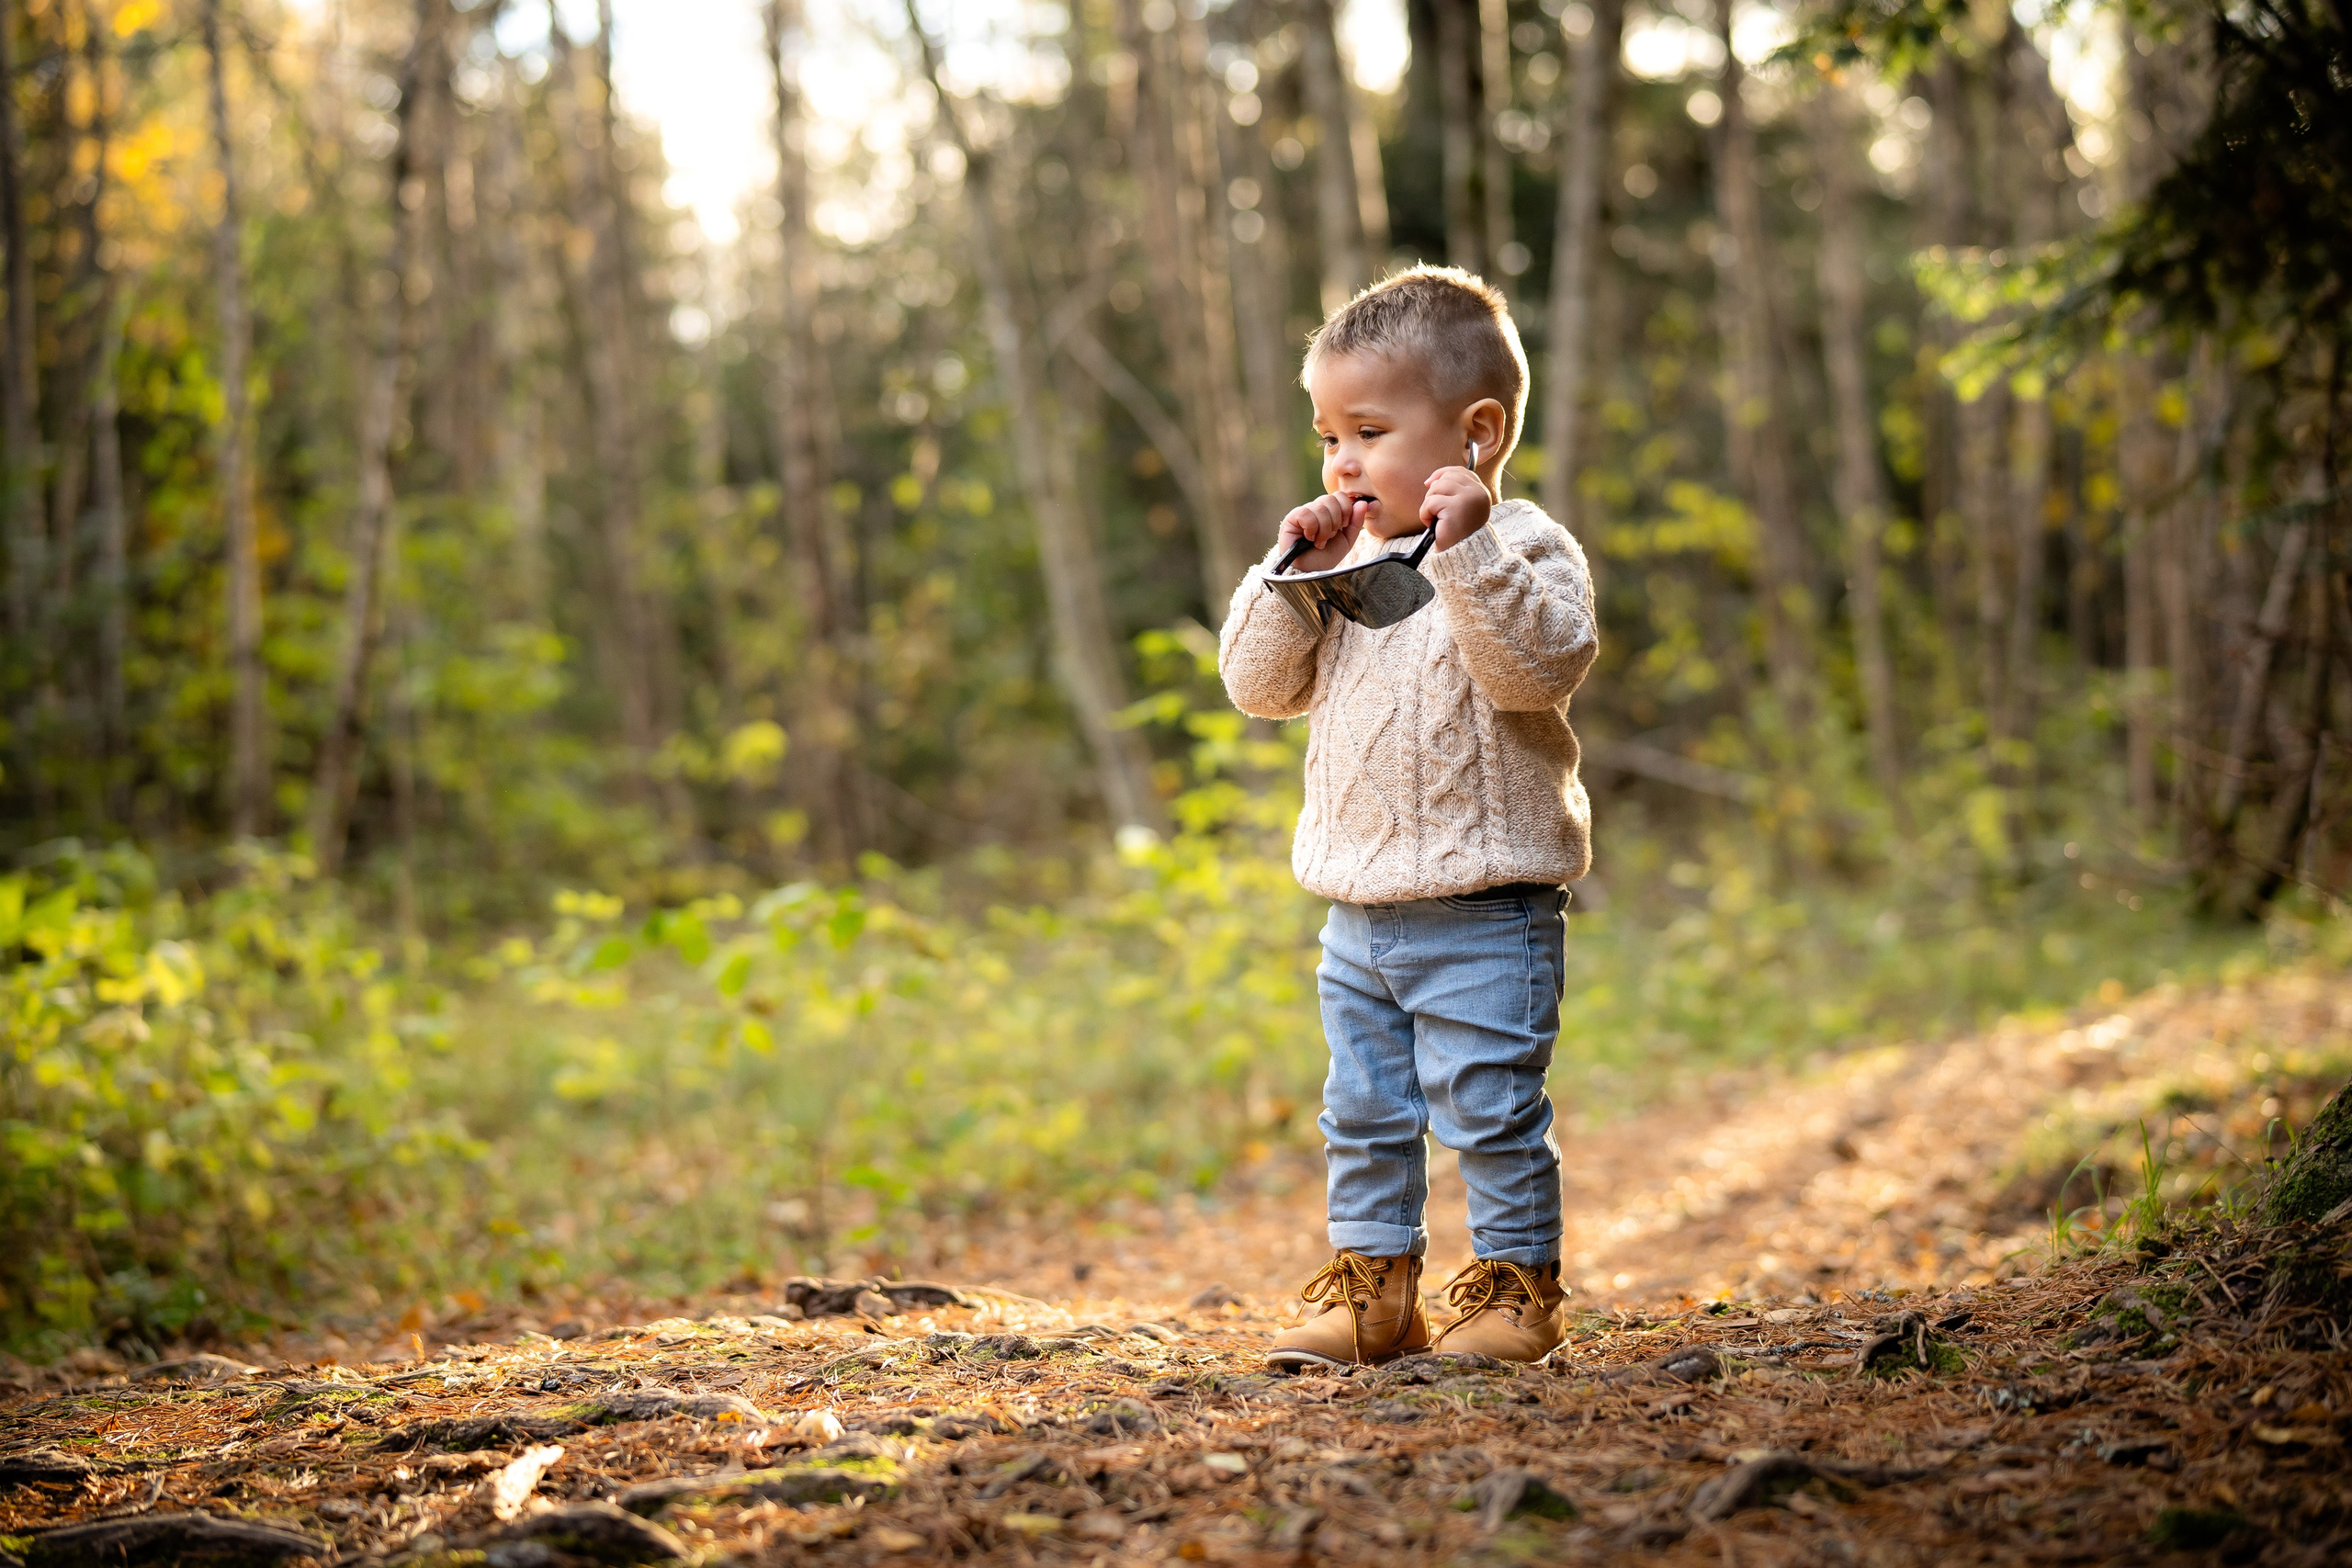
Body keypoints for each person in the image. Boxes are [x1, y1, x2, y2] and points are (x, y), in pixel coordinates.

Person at [1217, 265, 1599, 1368]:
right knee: (1365, 1117)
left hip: (1488, 913)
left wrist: (1467, 547)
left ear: (1474, 434)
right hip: (1356, 915)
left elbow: (1532, 669)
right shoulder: (1343, 568)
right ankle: (1372, 1294)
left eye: (1369, 431)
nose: (1341, 461)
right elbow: (1255, 686)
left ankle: (1514, 1293)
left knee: (1489, 1113)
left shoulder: (1523, 546)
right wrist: (1290, 567)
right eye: (1327, 435)